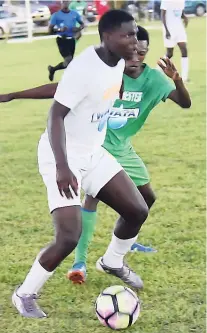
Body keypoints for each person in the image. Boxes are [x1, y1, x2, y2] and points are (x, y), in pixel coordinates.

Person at [0, 26, 191, 285]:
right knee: (88, 204)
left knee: (143, 202)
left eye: (140, 53)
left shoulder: (151, 80)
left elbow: (184, 102)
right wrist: (15, 95)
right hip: (93, 149)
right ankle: (79, 262)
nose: (135, 57)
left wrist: (176, 78)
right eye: (131, 51)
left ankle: (117, 252)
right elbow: (60, 92)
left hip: (120, 148)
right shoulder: (104, 71)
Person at [11, 10, 149, 319]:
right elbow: (55, 115)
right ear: (107, 37)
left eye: (136, 34)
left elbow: (101, 95)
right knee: (69, 237)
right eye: (127, 35)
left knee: (137, 210)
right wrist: (62, 167)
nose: (134, 41)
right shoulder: (85, 67)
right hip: (62, 156)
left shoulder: (118, 64)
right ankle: (24, 294)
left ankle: (113, 261)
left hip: (93, 153)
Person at [48, 0, 84, 82]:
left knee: (69, 63)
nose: (66, 3)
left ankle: (53, 69)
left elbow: (82, 24)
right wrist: (60, 29)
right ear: (61, 3)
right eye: (64, 1)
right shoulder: (56, 15)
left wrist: (78, 28)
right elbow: (50, 30)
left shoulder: (74, 14)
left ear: (70, 2)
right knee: (69, 59)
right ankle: (72, 79)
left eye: (67, 1)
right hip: (62, 40)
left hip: (71, 41)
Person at [160, 0, 189, 82]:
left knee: (184, 50)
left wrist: (184, 17)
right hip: (169, 28)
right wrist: (166, 30)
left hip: (179, 28)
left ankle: (185, 77)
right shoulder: (166, 1)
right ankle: (158, 69)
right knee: (170, 53)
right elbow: (162, 15)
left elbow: (180, 11)